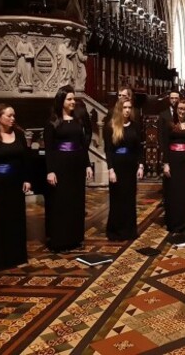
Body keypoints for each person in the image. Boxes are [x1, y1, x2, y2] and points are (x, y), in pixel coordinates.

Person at [0, 104, 31, 270]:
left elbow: (25, 159)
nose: (13, 118)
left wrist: (27, 179)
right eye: (9, 115)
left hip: (15, 183)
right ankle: (0, 260)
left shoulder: (19, 134)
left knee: (16, 220)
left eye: (14, 115)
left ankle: (18, 256)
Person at [44, 85, 93, 252]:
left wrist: (87, 164)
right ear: (61, 101)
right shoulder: (52, 122)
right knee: (61, 202)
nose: (73, 102)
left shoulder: (78, 120)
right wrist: (50, 171)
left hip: (76, 166)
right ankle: (60, 240)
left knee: (76, 202)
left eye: (74, 99)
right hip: (60, 166)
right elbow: (49, 149)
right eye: (69, 99)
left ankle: (75, 238)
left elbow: (82, 145)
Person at [103, 98, 144, 241]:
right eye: (124, 108)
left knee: (129, 199)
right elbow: (108, 150)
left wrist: (140, 165)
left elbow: (139, 148)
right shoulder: (111, 126)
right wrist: (110, 169)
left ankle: (129, 230)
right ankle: (115, 231)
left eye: (129, 107)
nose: (127, 110)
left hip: (130, 166)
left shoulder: (135, 126)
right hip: (117, 166)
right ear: (119, 109)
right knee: (117, 199)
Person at [162, 99, 185, 232]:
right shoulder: (169, 124)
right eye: (180, 109)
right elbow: (165, 145)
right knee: (174, 192)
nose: (182, 111)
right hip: (173, 161)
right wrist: (166, 163)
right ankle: (174, 222)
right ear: (176, 109)